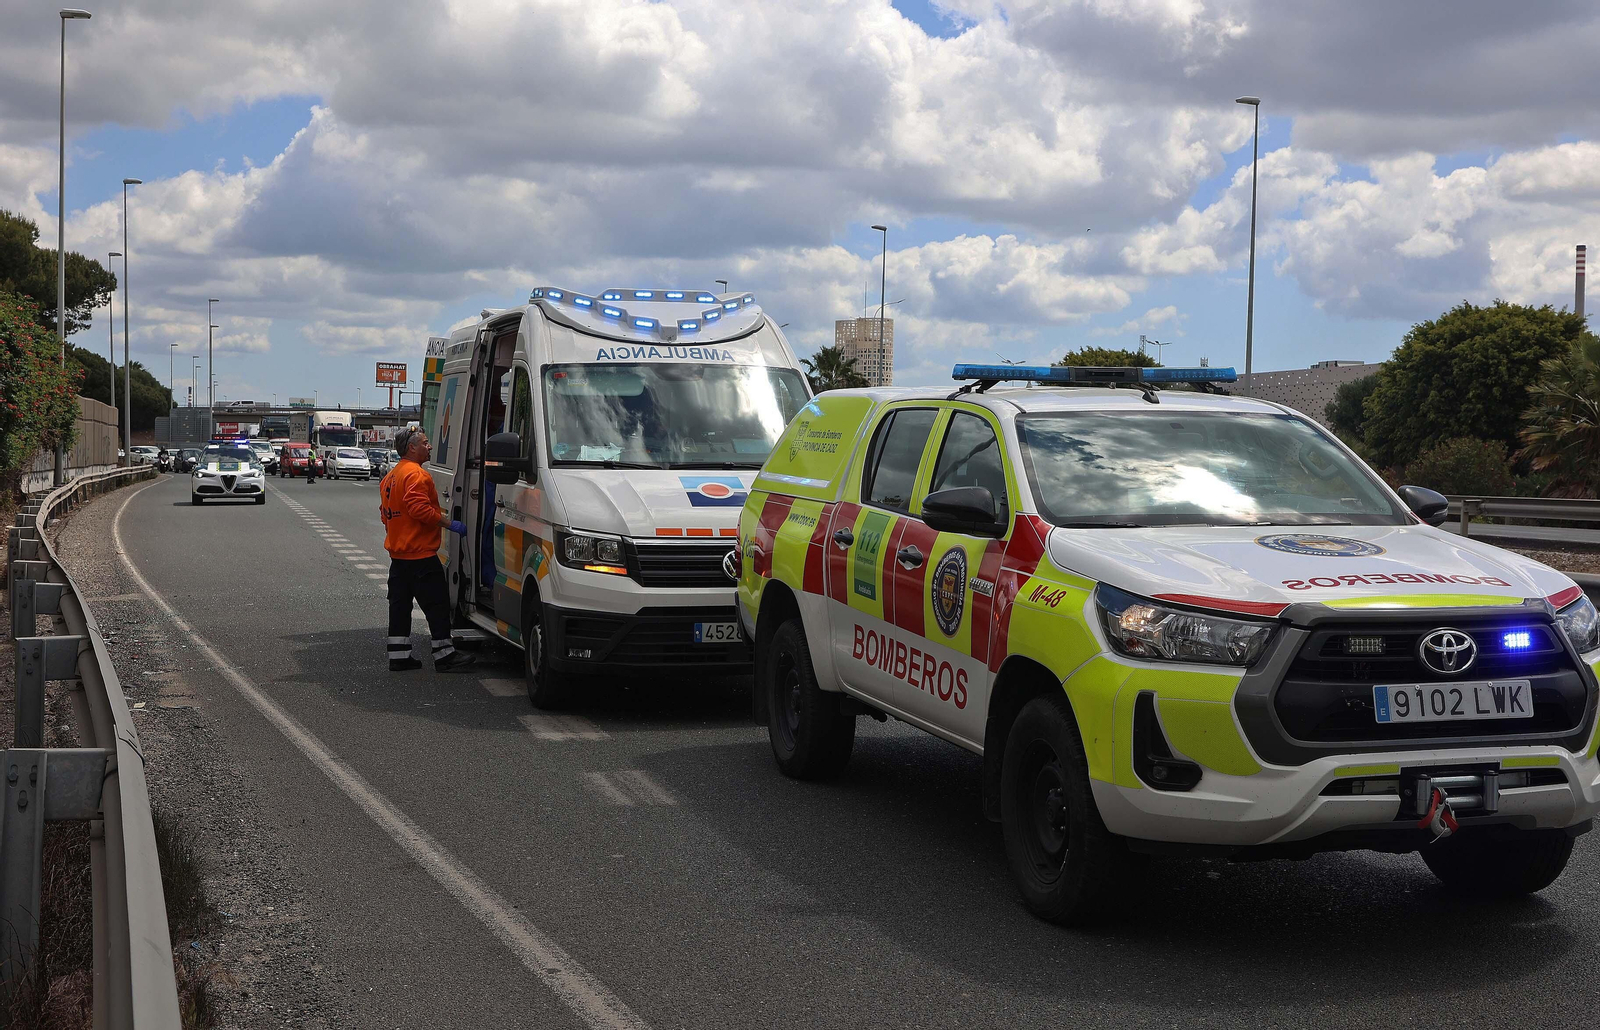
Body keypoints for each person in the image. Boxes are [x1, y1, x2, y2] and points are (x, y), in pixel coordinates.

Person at [380, 427, 474, 672]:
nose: (429, 446)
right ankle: (445, 656)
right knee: (437, 605)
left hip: (399, 556)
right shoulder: (417, 475)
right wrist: (449, 524)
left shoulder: (391, 477)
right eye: (425, 442)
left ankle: (399, 657)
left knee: (399, 607)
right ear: (412, 448)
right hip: (420, 555)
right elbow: (418, 509)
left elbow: (385, 514)